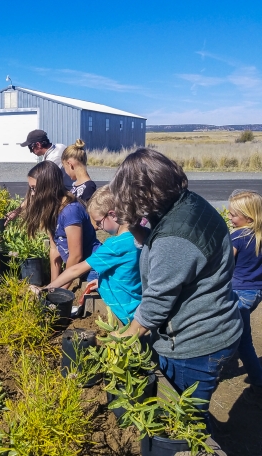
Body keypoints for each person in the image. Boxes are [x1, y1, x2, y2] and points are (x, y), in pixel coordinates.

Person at [109, 148, 242, 426]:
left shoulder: (176, 237)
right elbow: (167, 255)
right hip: (215, 325)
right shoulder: (187, 203)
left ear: (143, 192)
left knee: (185, 420)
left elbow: (155, 307)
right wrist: (136, 227)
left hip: (195, 343)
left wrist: (119, 343)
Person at [43, 185, 143, 324]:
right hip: (138, 307)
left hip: (124, 315)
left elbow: (76, 270)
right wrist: (104, 282)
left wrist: (46, 290)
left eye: (98, 222)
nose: (97, 227)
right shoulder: (139, 235)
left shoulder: (115, 245)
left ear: (112, 215)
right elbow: (128, 272)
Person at [23, 160, 99, 286]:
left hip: (92, 270)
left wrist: (60, 290)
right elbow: (54, 250)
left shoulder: (70, 211)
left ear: (47, 187)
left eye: (34, 188)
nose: (32, 193)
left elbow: (76, 256)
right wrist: (53, 285)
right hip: (76, 270)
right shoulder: (51, 209)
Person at [228, 190, 262, 407]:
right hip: (256, 293)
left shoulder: (237, 237)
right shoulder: (258, 235)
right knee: (237, 331)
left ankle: (258, 382)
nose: (230, 219)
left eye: (233, 215)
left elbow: (224, 265)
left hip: (238, 293)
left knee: (244, 341)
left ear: (248, 217)